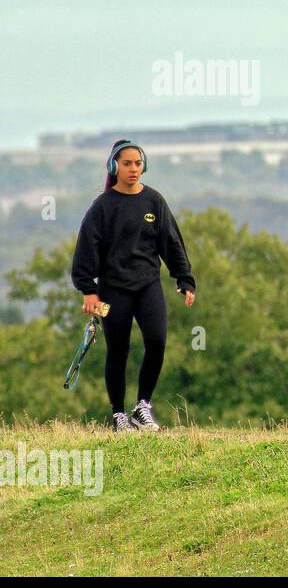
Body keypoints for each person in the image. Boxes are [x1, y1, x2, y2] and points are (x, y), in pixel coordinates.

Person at [70, 139, 196, 432]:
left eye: (138, 163)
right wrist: (88, 290)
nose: (133, 169)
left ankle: (143, 407)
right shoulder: (102, 207)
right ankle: (118, 415)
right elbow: (86, 250)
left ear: (144, 166)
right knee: (118, 350)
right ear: (114, 166)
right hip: (111, 291)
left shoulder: (154, 201)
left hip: (148, 285)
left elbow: (171, 242)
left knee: (157, 341)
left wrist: (184, 277)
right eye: (127, 163)